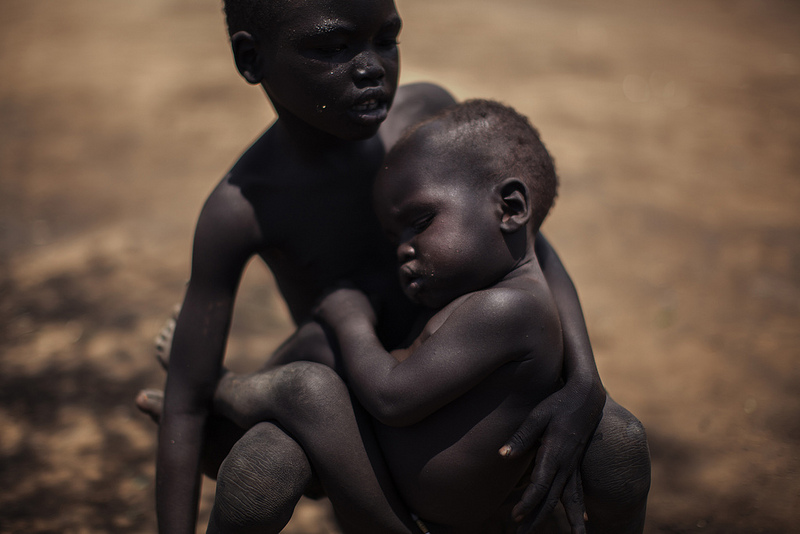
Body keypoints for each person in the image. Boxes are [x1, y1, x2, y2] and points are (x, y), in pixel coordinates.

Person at [135, 0, 648, 532]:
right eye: (333, 48)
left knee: (617, 442)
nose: (370, 68)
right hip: (347, 405)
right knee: (260, 469)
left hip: (465, 373)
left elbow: (529, 242)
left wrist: (585, 382)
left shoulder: (424, 122)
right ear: (252, 59)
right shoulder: (241, 209)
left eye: (386, 39)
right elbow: (185, 405)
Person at [215, 99, 650, 533]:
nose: (402, 249)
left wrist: (351, 321)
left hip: (408, 502)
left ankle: (221, 390)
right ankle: (226, 414)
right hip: (395, 477)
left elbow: (391, 397)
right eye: (394, 236)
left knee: (310, 390)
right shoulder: (479, 296)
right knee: (315, 349)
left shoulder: (511, 308)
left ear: (511, 209)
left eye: (420, 222)